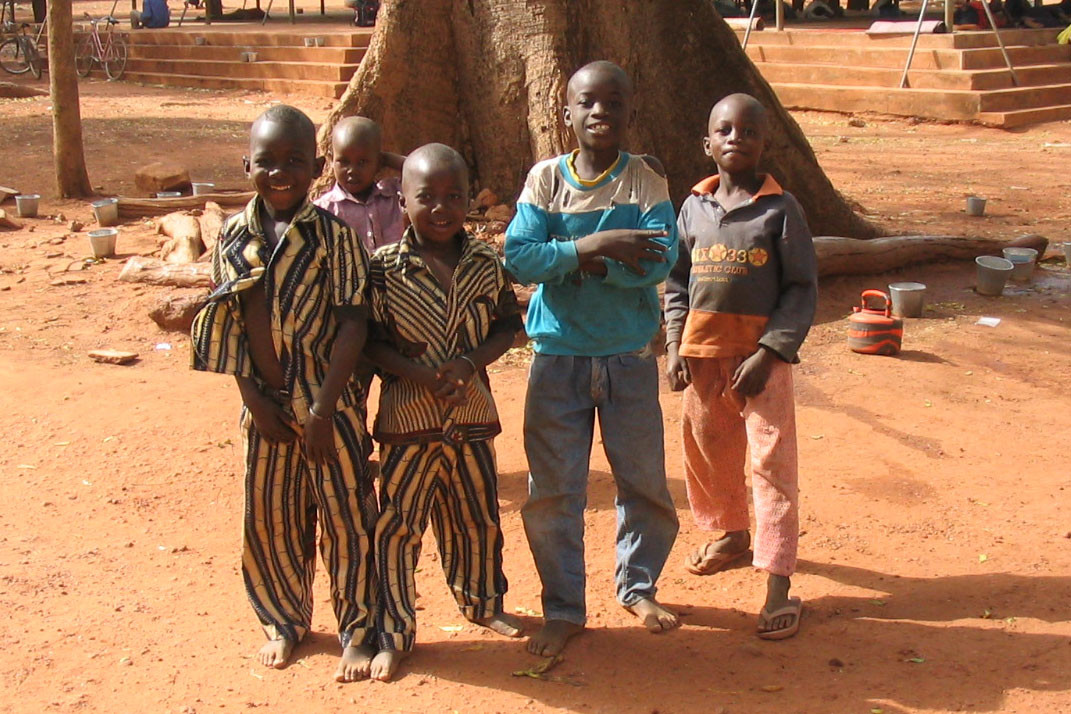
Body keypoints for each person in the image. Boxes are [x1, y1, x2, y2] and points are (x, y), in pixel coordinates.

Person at [189, 105, 378, 682]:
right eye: (267, 162)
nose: (281, 173)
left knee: (347, 516)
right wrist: (252, 399)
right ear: (246, 164)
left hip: (331, 407)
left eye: (295, 161)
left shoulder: (333, 237)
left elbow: (354, 323)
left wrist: (323, 409)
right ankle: (283, 621)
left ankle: (358, 626)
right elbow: (230, 320)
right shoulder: (234, 234)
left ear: (316, 166)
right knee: (271, 518)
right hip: (266, 407)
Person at [504, 60, 681, 658]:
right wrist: (595, 247)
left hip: (629, 359)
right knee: (554, 490)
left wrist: (577, 264)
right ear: (567, 112)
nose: (599, 111)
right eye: (587, 102)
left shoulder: (647, 183)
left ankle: (639, 585)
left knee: (644, 484)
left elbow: (657, 262)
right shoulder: (545, 182)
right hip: (557, 358)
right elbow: (519, 259)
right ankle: (563, 608)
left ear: (631, 110)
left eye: (613, 101)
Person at [366, 143, 525, 682]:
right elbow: (370, 343)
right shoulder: (384, 269)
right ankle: (393, 630)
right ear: (403, 201)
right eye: (426, 197)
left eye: (453, 196)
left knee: (476, 517)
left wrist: (469, 362)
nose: (440, 208)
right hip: (409, 420)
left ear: (468, 200)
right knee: (399, 525)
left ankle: (483, 601)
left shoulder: (484, 261)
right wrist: (417, 374)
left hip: (472, 416)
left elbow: (507, 325)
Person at [664, 93, 817, 641]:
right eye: (724, 130)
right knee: (709, 453)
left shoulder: (781, 210)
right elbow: (678, 282)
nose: (736, 138)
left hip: (761, 365)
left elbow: (800, 288)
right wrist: (675, 343)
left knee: (771, 466)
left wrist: (771, 351)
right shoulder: (692, 208)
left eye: (748, 131)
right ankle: (731, 534)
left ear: (763, 143)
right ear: (707, 144)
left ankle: (778, 579)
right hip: (703, 361)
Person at [314, 116, 406, 258]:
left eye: (362, 162)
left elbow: (426, 174)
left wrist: (387, 159)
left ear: (378, 162)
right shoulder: (324, 210)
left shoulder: (394, 195)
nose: (352, 170)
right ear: (332, 160)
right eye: (343, 161)